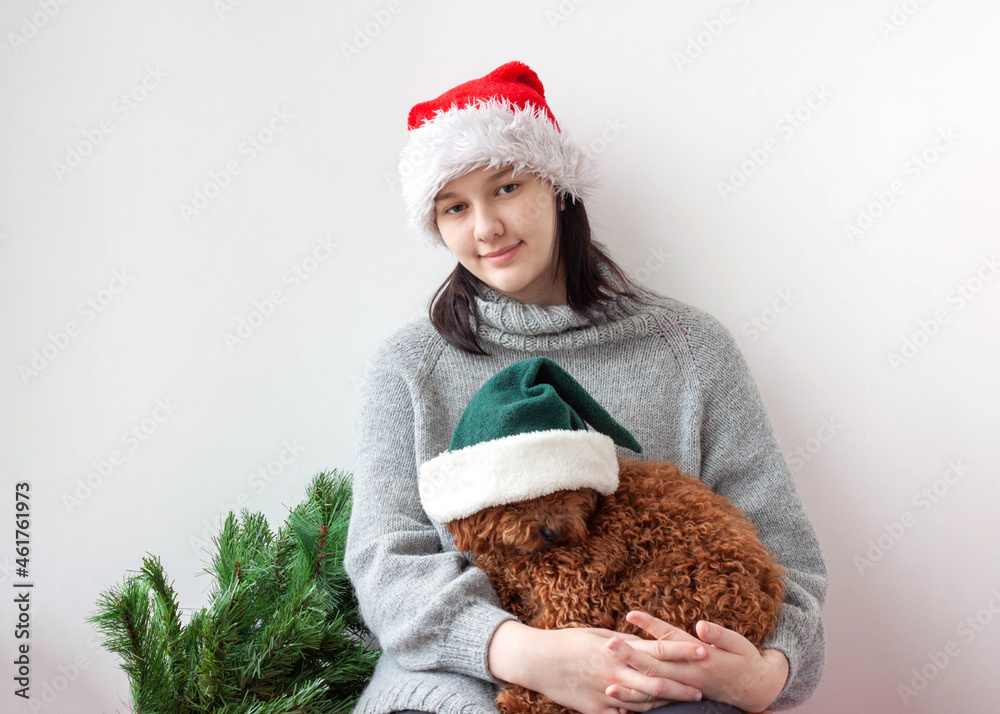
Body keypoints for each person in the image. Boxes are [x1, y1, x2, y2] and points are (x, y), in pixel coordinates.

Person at [343, 60, 827, 714]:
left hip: (661, 682)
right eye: (455, 206)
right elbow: (384, 562)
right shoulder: (408, 366)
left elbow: (787, 558)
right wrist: (525, 653)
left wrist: (772, 670)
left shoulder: (690, 351)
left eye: (507, 187)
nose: (485, 228)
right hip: (462, 682)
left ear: (559, 188)